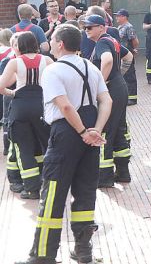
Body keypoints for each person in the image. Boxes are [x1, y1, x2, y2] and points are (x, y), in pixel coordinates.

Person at [18, 24, 111, 264]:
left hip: (66, 134)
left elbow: (66, 106)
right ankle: (83, 251)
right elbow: (106, 100)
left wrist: (82, 131)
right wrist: (95, 131)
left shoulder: (53, 71)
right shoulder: (91, 67)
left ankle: (43, 255)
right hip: (90, 134)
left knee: (53, 194)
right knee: (85, 192)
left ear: (59, 44)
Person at [82, 14, 133, 188]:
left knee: (104, 131)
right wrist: (119, 75)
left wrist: (100, 84)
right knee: (118, 129)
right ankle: (123, 172)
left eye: (90, 27)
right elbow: (129, 58)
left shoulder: (103, 42)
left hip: (111, 90)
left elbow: (108, 60)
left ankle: (104, 177)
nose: (86, 30)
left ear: (101, 28)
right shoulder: (112, 40)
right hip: (119, 87)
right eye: (85, 28)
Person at [0, 33, 53, 198]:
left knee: (24, 148)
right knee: (47, 145)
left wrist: (13, 93)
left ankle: (31, 188)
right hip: (41, 106)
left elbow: (1, 86)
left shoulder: (15, 62)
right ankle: (50, 181)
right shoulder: (48, 60)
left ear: (19, 46)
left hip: (21, 106)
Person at [1, 30, 21, 193]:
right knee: (7, 122)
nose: (17, 47)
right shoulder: (9, 61)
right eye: (15, 44)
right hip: (10, 95)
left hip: (21, 98)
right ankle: (6, 146)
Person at [115, 10, 139, 106]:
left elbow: (134, 40)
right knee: (124, 75)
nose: (117, 18)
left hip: (127, 53)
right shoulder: (120, 27)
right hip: (122, 54)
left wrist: (132, 49)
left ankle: (132, 98)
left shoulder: (129, 27)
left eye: (119, 16)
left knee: (130, 76)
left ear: (124, 17)